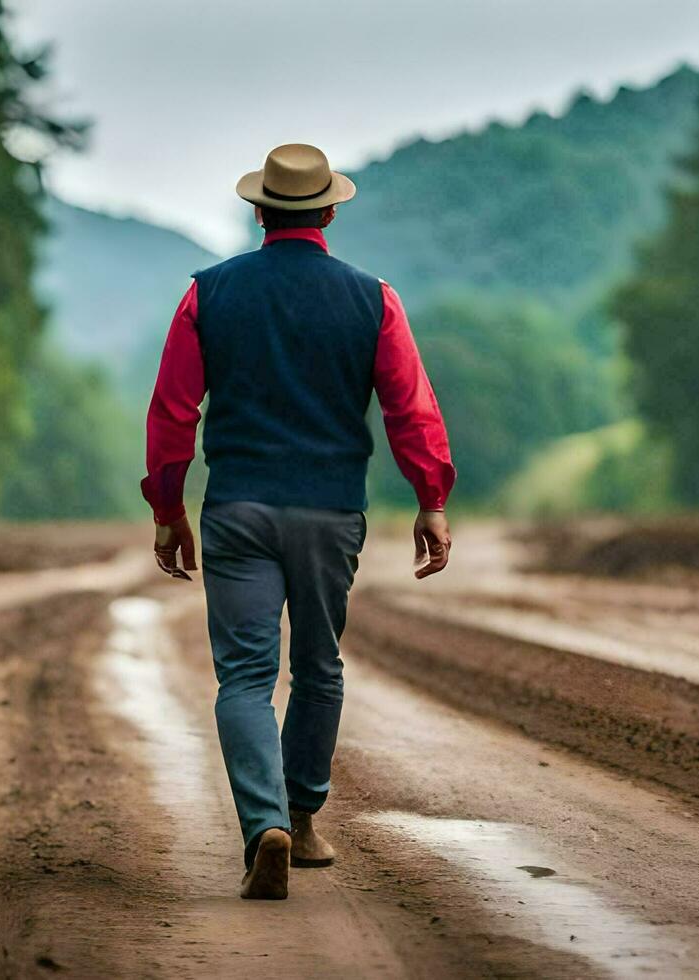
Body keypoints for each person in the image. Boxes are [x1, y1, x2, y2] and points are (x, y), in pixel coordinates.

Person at [141, 143, 456, 900]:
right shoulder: (372, 298)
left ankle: (264, 827)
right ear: (329, 211)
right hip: (329, 508)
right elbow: (408, 406)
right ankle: (304, 821)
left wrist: (166, 508)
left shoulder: (207, 294)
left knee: (245, 676)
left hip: (239, 507)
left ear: (258, 212)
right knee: (318, 666)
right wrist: (432, 498)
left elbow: (174, 410)